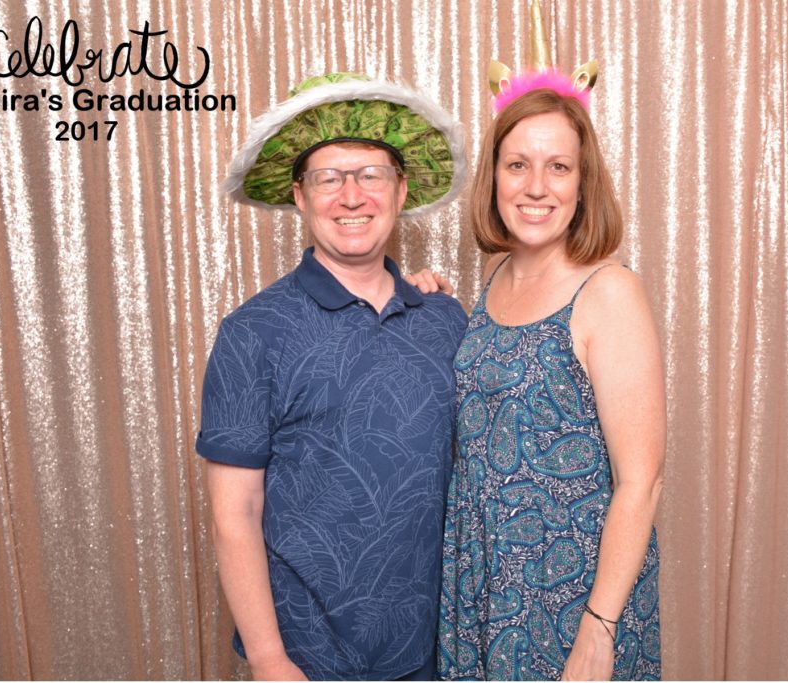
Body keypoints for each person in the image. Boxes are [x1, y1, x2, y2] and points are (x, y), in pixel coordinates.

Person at [197, 73, 469, 681]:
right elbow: (234, 514)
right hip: (308, 654)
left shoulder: (445, 319)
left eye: (371, 175)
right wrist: (269, 659)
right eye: (328, 178)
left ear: (401, 191)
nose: (352, 197)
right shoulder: (252, 333)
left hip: (437, 647)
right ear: (300, 196)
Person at [436, 77, 665, 679]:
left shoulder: (609, 291)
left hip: (571, 596)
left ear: (582, 185)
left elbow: (641, 482)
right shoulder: (496, 280)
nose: (536, 186)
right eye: (518, 165)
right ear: (494, 178)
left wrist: (599, 626)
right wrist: (420, 300)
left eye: (558, 167)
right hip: (483, 582)